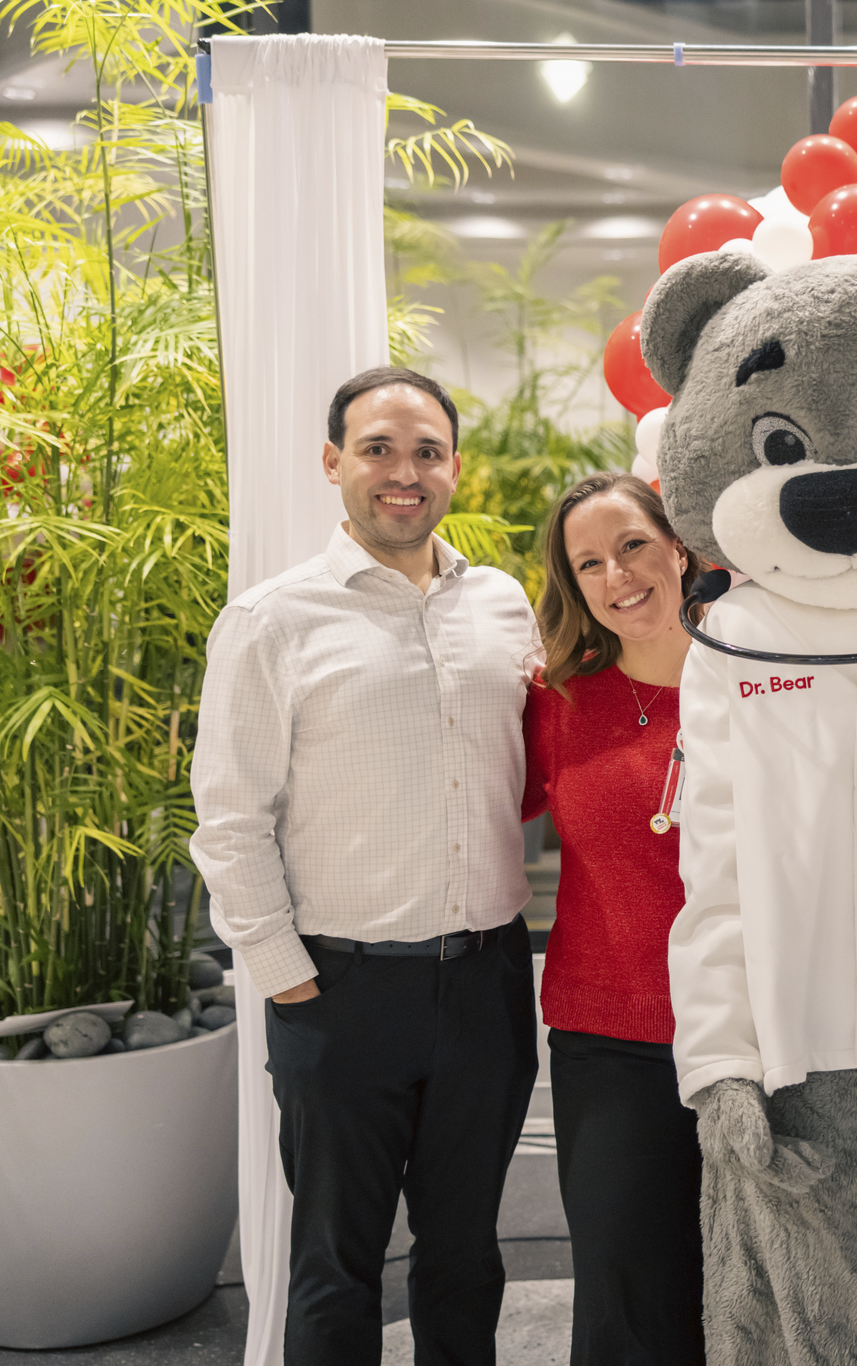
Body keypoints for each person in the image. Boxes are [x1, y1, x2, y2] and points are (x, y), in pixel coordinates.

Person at [192, 366, 541, 1366]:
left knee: (468, 1252)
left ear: (454, 469)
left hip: (485, 980)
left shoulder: (505, 605)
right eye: (379, 448)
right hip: (337, 989)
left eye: (426, 451)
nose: (404, 472)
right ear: (333, 460)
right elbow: (228, 815)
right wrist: (287, 977)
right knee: (335, 1263)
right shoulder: (272, 621)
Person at [521, 472, 705, 1364]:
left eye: (632, 545)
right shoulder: (556, 703)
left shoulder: (763, 683)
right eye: (587, 563)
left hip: (759, 1037)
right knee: (628, 1296)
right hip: (611, 1039)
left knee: (764, 1283)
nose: (616, 575)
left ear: (679, 546)